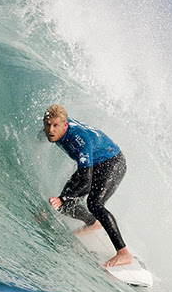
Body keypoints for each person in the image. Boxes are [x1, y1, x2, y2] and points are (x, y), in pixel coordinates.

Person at [43, 104, 133, 267]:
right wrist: (63, 200)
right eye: (48, 124)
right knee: (63, 204)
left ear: (65, 125)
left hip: (112, 162)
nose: (50, 130)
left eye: (55, 125)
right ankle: (92, 223)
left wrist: (62, 198)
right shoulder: (54, 129)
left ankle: (123, 253)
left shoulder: (79, 141)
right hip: (93, 163)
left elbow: (86, 182)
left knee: (94, 203)